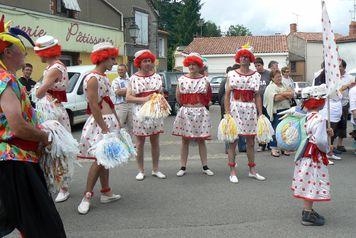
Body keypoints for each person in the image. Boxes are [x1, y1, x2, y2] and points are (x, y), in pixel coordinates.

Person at [0, 15, 66, 237]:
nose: (26, 55)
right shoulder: (5, 79)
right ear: (8, 52)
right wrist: (45, 136)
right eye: (22, 49)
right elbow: (17, 126)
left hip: (13, 160)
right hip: (15, 161)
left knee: (27, 223)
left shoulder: (9, 79)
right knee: (45, 227)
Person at [77, 42, 122, 215]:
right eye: (112, 58)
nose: (114, 62)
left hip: (108, 122)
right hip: (100, 123)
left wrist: (117, 122)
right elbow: (94, 106)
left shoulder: (102, 77)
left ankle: (106, 192)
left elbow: (109, 103)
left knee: (106, 159)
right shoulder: (93, 77)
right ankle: (86, 196)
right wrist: (104, 128)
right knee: (99, 160)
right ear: (102, 57)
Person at [34, 35, 71, 203]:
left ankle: (64, 187)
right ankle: (59, 183)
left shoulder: (54, 68)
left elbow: (40, 92)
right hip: (54, 108)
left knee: (57, 149)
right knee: (53, 148)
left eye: (39, 52)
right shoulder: (56, 66)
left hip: (53, 110)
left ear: (46, 52)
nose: (38, 56)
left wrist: (36, 90)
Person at [291, 84, 333, 226]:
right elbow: (320, 141)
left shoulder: (306, 117)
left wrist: (327, 133)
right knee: (313, 181)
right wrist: (328, 147)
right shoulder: (320, 119)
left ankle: (307, 209)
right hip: (314, 155)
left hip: (305, 154)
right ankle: (307, 213)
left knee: (308, 180)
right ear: (320, 102)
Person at [225, 43, 266, 183]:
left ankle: (252, 170)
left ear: (250, 59)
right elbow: (227, 94)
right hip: (235, 109)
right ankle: (232, 171)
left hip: (250, 110)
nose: (243, 59)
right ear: (238, 58)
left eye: (246, 57)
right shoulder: (231, 74)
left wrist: (260, 114)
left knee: (250, 142)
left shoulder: (256, 76)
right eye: (241, 56)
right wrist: (227, 113)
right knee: (233, 141)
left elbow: (257, 95)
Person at [126, 50, 166, 181]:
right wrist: (144, 99)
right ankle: (141, 170)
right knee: (140, 143)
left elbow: (160, 93)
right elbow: (128, 97)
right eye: (145, 61)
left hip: (155, 112)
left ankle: (156, 169)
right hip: (139, 113)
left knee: (155, 141)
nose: (148, 63)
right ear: (139, 63)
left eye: (149, 61)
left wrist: (159, 100)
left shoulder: (157, 77)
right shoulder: (133, 78)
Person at [172, 53, 214, 177]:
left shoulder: (205, 80)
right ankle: (182, 167)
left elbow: (208, 98)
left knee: (202, 140)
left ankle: (205, 166)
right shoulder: (182, 79)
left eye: (194, 64)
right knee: (184, 140)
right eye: (189, 64)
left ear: (199, 65)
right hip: (186, 112)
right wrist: (187, 107)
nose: (191, 66)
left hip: (200, 112)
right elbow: (178, 96)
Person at [264, 69, 294, 157]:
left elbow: (292, 93)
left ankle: (284, 147)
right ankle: (273, 147)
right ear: (272, 78)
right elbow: (275, 98)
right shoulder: (270, 87)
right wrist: (286, 94)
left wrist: (281, 94)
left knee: (285, 129)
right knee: (276, 129)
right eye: (277, 77)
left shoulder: (284, 84)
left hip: (286, 109)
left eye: (280, 76)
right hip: (276, 111)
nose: (279, 78)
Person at [335, 60, 354, 152]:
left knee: (343, 124)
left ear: (344, 67)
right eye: (337, 66)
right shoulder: (334, 76)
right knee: (334, 123)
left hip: (344, 103)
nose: (338, 68)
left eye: (340, 66)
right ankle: (331, 145)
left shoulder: (350, 78)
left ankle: (340, 144)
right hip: (334, 103)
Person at [111, 64, 133, 139]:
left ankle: (130, 143)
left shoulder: (130, 80)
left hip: (130, 104)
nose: (120, 71)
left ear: (126, 70)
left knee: (131, 126)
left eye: (122, 70)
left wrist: (124, 91)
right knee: (119, 125)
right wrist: (129, 91)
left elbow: (135, 91)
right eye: (119, 70)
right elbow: (118, 92)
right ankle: (118, 142)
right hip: (120, 105)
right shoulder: (115, 81)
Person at [254, 57, 271, 152]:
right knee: (260, 125)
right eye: (255, 66)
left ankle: (269, 143)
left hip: (267, 103)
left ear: (262, 64)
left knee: (268, 124)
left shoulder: (268, 74)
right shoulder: (254, 75)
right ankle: (261, 144)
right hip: (257, 104)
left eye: (259, 65)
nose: (257, 68)